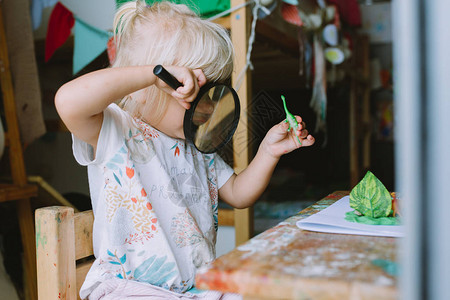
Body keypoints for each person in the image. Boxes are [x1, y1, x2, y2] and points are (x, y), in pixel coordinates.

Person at [55, 1, 315, 299]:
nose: (208, 107)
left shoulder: (198, 147)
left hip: (197, 288)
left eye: (211, 92)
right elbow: (67, 102)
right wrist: (151, 75)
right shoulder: (116, 130)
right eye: (191, 90)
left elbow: (239, 194)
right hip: (131, 290)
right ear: (149, 88)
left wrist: (269, 151)